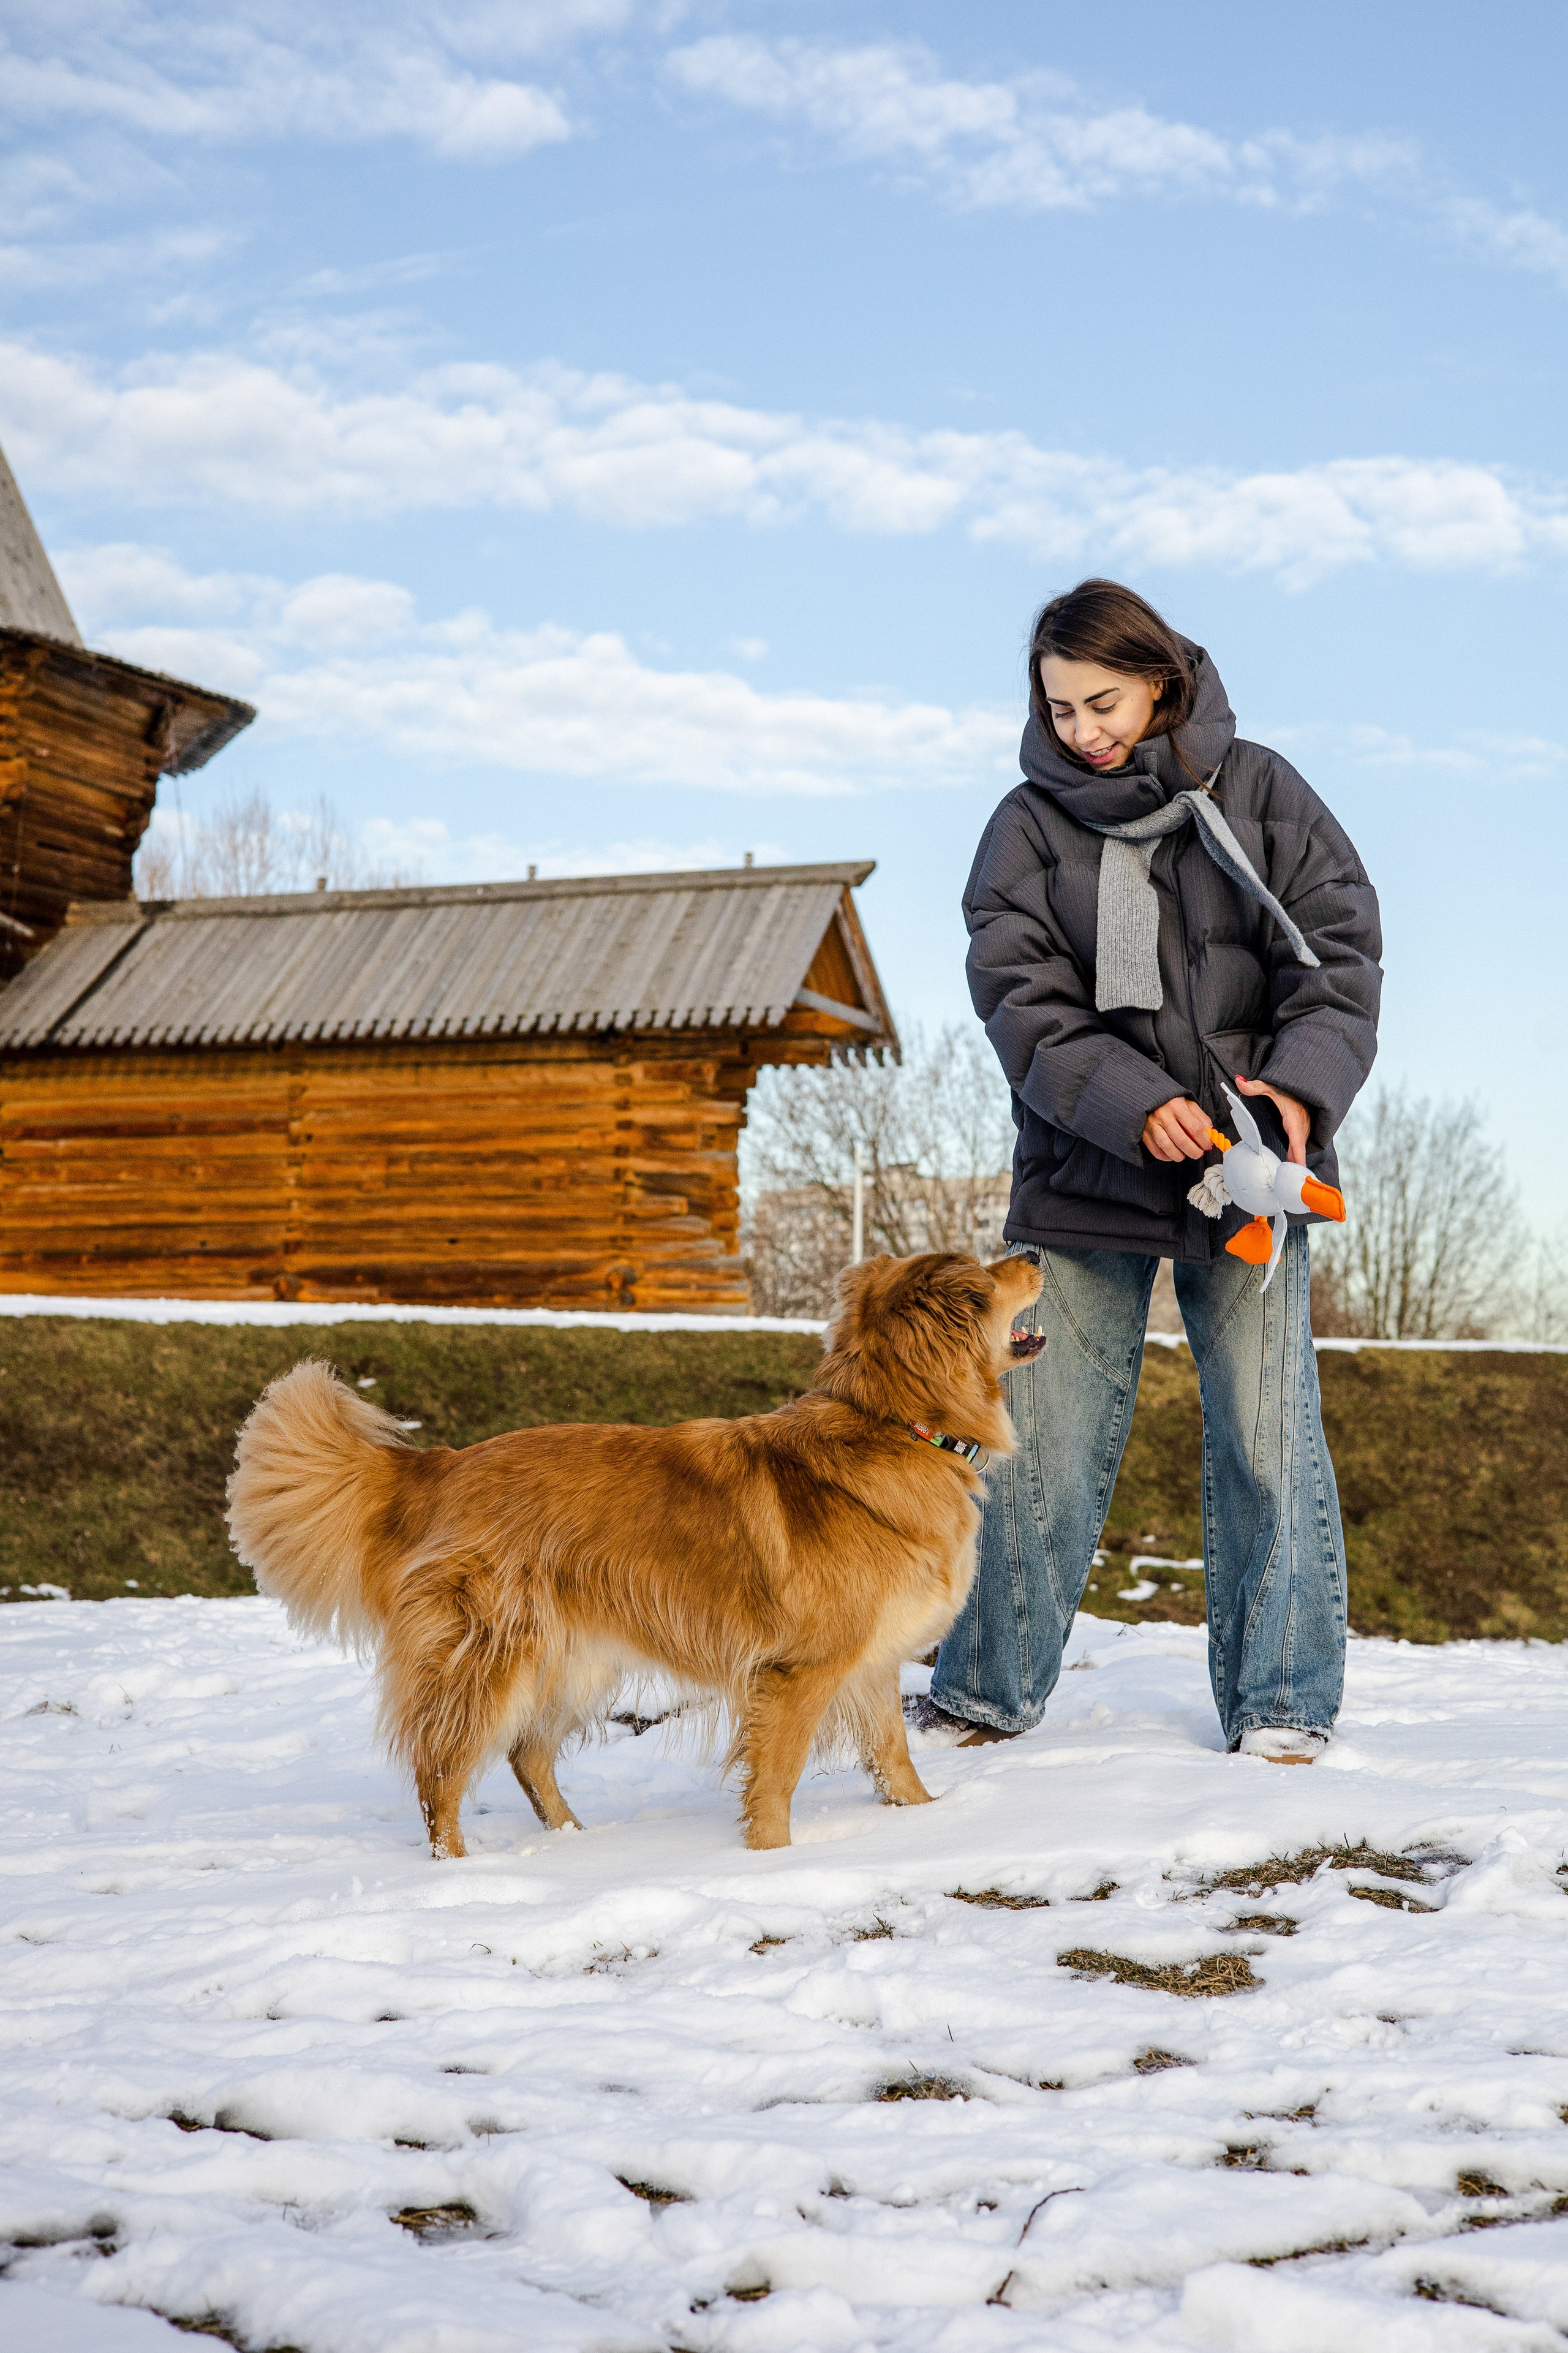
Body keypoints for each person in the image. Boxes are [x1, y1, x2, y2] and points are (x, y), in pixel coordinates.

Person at [911, 578, 1381, 1766]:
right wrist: (1134, 1107)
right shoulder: (1024, 826)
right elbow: (1019, 1000)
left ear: (1161, 679)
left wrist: (1292, 1092)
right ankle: (983, 1688)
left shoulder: (1262, 789)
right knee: (1034, 1436)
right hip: (1082, 1173)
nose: (1080, 729)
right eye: (1058, 707)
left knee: (1267, 1438)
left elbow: (1335, 952)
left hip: (1249, 1177)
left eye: (1101, 701)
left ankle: (1281, 1699)